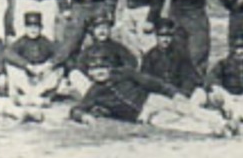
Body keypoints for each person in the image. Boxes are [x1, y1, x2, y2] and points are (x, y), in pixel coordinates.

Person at [68, 40, 232, 137]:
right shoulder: (95, 92)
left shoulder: (124, 72)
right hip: (142, 115)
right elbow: (77, 109)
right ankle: (213, 131)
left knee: (187, 109)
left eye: (103, 67)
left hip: (151, 99)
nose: (100, 72)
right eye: (95, 70)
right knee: (176, 123)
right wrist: (83, 117)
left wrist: (174, 93)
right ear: (89, 72)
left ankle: (222, 122)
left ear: (110, 67)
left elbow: (151, 82)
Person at [63, 10, 134, 100]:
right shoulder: (88, 50)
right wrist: (91, 74)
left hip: (112, 83)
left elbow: (130, 64)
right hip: (94, 84)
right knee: (74, 74)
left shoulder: (118, 47)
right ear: (93, 31)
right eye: (98, 28)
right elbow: (80, 66)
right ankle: (94, 100)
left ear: (109, 30)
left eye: (105, 28)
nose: (102, 31)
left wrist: (113, 74)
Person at [4, 10, 65, 108]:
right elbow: (8, 53)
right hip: (26, 77)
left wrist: (47, 65)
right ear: (25, 28)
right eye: (30, 27)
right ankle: (36, 99)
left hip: (42, 77)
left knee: (59, 70)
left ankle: (32, 98)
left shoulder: (45, 41)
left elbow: (60, 54)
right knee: (10, 67)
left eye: (36, 27)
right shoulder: (21, 41)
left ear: (41, 28)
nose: (33, 30)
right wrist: (27, 65)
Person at [141, 18, 208, 105]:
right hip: (160, 97)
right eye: (162, 35)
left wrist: (183, 93)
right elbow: (146, 81)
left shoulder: (180, 54)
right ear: (156, 36)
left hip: (180, 95)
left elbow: (189, 77)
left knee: (200, 94)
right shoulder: (149, 57)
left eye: (169, 35)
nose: (165, 39)